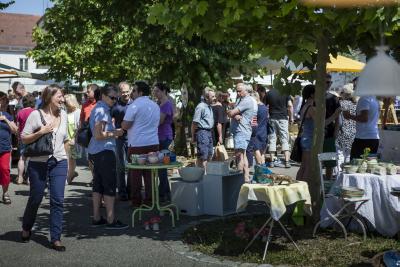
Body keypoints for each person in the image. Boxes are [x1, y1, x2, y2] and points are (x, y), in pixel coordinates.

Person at [21, 85, 69, 251]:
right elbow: (24, 138)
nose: (62, 99)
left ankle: (56, 238)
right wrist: (41, 131)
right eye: (59, 96)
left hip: (59, 161)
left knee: (58, 200)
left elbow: (66, 140)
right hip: (39, 162)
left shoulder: (63, 114)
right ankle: (26, 227)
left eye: (63, 96)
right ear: (49, 97)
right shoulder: (36, 114)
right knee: (36, 197)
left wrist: (69, 164)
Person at [88, 84, 128, 229]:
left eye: (116, 98)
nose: (114, 101)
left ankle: (97, 218)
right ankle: (111, 220)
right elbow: (98, 135)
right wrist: (115, 133)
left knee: (98, 185)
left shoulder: (99, 108)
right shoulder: (102, 110)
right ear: (104, 96)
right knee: (109, 185)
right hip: (103, 152)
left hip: (97, 151)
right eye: (112, 98)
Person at [122, 81, 160, 207]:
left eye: (134, 90)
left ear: (140, 92)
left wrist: (122, 125)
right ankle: (150, 200)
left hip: (137, 143)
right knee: (150, 174)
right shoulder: (155, 105)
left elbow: (125, 125)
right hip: (153, 142)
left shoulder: (134, 106)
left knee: (135, 175)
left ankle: (136, 202)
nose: (131, 93)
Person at [228, 83, 255, 183]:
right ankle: (246, 178)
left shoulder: (246, 101)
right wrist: (234, 114)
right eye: (237, 91)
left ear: (246, 91)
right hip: (241, 130)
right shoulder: (241, 99)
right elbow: (232, 112)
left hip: (241, 131)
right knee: (242, 155)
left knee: (239, 156)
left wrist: (232, 114)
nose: (238, 93)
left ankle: (239, 180)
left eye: (240, 91)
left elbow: (231, 112)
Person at [153, 82, 174, 202]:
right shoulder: (159, 103)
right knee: (161, 167)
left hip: (165, 137)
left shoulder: (166, 104)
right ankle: (163, 192)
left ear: (164, 91)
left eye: (157, 91)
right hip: (160, 137)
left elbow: (160, 121)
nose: (155, 93)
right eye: (154, 91)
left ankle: (165, 194)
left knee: (163, 166)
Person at [110, 81, 132, 201]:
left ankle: (131, 190)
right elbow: (109, 120)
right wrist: (114, 130)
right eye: (123, 92)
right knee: (121, 166)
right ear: (119, 92)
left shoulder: (134, 104)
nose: (125, 94)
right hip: (119, 139)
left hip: (133, 139)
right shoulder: (115, 105)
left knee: (132, 166)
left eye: (127, 91)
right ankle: (122, 192)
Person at [343, 95, 380, 159]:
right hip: (373, 137)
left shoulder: (364, 99)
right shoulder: (374, 99)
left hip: (363, 138)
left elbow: (364, 118)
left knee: (355, 164)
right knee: (369, 165)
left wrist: (349, 116)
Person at [264, 87, 293, 168]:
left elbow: (264, 106)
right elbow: (290, 106)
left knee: (272, 139)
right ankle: (287, 161)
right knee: (284, 139)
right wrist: (291, 118)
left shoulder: (269, 93)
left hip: (272, 118)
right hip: (283, 118)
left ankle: (272, 161)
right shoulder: (285, 92)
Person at [0, 92, 18, 204]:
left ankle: (5, 193)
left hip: (5, 147)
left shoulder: (8, 115)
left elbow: (15, 130)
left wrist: (5, 119)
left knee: (5, 170)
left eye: (3, 101)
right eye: (1, 100)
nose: (2, 103)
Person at [191, 87, 215, 168]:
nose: (215, 98)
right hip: (202, 132)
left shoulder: (209, 106)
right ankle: (203, 176)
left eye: (214, 96)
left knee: (209, 154)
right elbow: (194, 123)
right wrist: (193, 136)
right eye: (213, 97)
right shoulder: (201, 107)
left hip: (209, 132)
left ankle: (206, 175)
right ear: (206, 97)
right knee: (203, 156)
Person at [15, 94, 36, 185]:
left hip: (23, 137)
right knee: (32, 158)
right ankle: (29, 179)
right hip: (33, 137)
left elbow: (17, 127)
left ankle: (20, 177)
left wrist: (18, 137)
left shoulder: (20, 112)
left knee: (22, 158)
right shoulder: (35, 111)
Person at [324, 74, 341, 179]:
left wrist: (336, 132)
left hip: (329, 133)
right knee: (315, 162)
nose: (329, 84)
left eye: (330, 82)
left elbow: (337, 118)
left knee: (330, 162)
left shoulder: (334, 98)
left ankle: (328, 182)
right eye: (327, 82)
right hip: (315, 133)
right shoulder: (314, 97)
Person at [336, 84, 357, 165]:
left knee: (339, 154)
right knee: (348, 155)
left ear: (344, 93)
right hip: (353, 132)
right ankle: (345, 173)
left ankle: (339, 174)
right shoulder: (356, 105)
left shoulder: (340, 104)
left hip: (341, 131)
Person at [247, 92, 268, 166]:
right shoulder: (264, 107)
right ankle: (263, 167)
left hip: (257, 131)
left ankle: (260, 166)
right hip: (264, 131)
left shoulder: (256, 108)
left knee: (256, 150)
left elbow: (252, 120)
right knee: (261, 151)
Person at [64, 94, 81, 184]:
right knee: (66, 159)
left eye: (66, 102)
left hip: (73, 139)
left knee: (71, 159)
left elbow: (79, 127)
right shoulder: (65, 111)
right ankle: (71, 174)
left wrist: (74, 139)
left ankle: (69, 176)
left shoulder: (78, 112)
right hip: (65, 140)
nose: (64, 104)